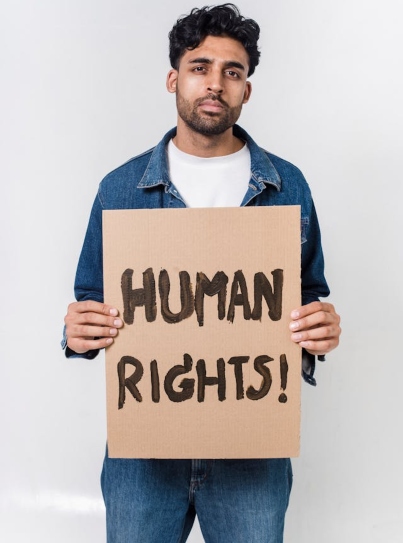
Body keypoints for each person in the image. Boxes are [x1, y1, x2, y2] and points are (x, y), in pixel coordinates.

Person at [63, 4, 341, 542]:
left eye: (232, 72)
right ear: (174, 78)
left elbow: (309, 296)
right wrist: (78, 334)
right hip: (144, 457)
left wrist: (321, 330)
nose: (215, 83)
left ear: (246, 90)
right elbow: (90, 302)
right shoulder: (119, 190)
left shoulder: (288, 187)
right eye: (200, 67)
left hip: (251, 456)